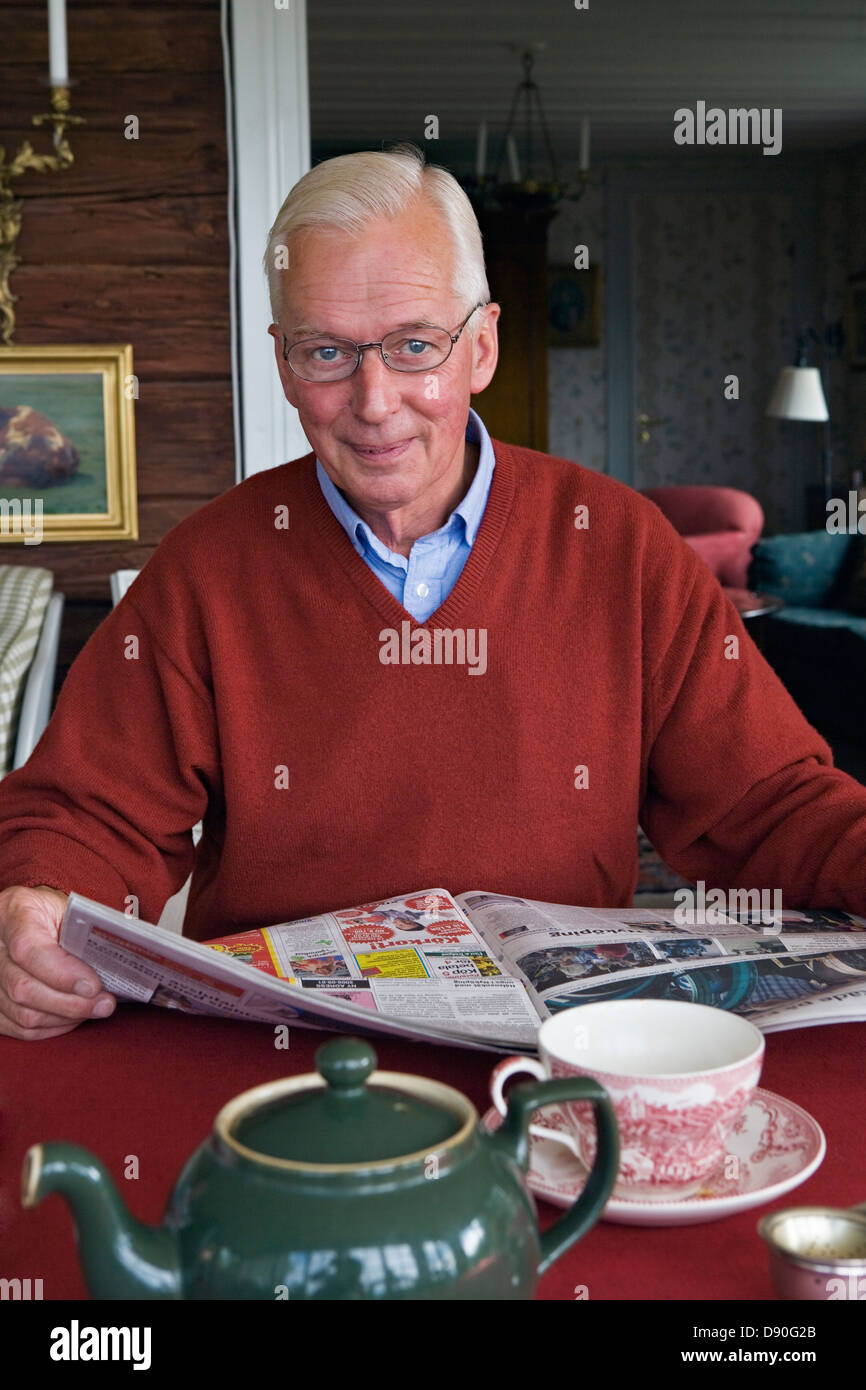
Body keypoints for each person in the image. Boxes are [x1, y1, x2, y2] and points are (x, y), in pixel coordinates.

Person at [0, 143, 864, 1043]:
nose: (374, 402)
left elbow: (762, 807)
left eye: (415, 346)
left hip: (552, 1061)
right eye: (327, 351)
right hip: (279, 1066)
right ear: (284, 362)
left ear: (481, 345)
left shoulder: (621, 547)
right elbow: (81, 814)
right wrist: (34, 906)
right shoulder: (207, 569)